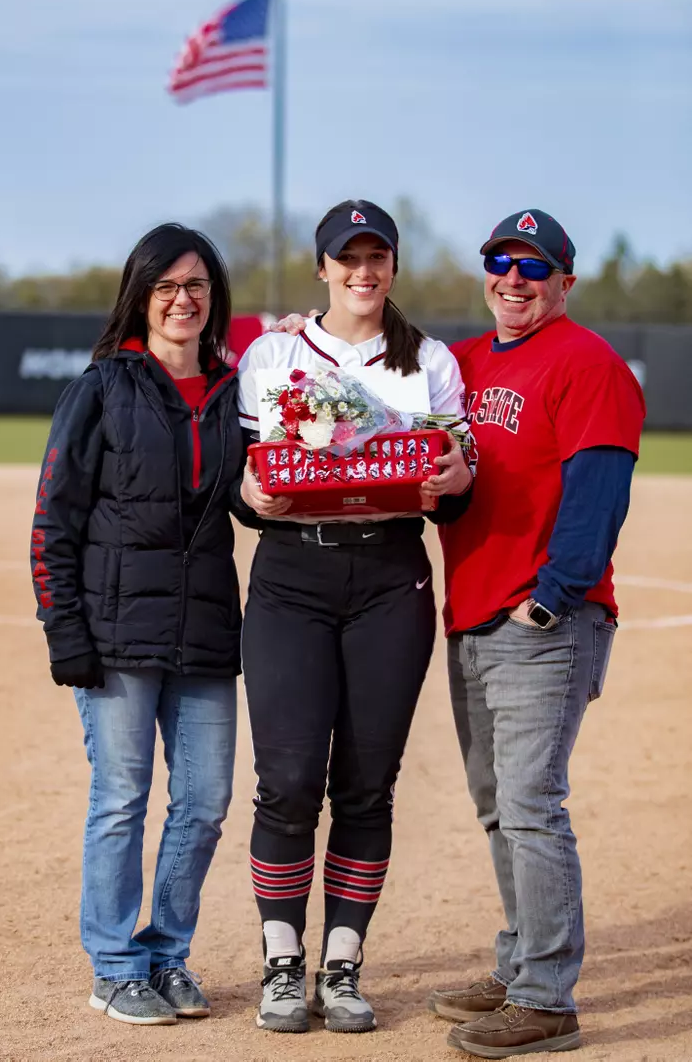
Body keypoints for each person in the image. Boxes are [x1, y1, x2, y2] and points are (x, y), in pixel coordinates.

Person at [236, 199, 474, 1034]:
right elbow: (245, 483)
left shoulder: (429, 362)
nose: (362, 273)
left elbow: (453, 485)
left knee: (367, 787)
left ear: (393, 268)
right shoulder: (271, 353)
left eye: (377, 258)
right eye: (348, 258)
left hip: (388, 575)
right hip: (291, 578)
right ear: (322, 266)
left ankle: (341, 965)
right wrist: (250, 493)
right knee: (288, 782)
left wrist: (453, 482)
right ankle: (280, 962)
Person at [425, 210, 646, 1058]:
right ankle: (520, 961)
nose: (512, 279)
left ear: (563, 281)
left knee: (529, 805)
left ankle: (546, 998)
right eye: (499, 263)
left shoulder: (587, 364)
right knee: (497, 807)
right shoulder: (467, 363)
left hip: (542, 621)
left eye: (532, 266)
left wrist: (550, 600)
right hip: (473, 612)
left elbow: (598, 496)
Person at [30, 223, 254, 1025]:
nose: (182, 300)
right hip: (116, 635)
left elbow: (253, 495)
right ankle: (116, 965)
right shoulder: (99, 388)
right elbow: (53, 518)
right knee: (122, 800)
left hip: (203, 636)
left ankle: (166, 953)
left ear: (212, 297)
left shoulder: (233, 393)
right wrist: (65, 630)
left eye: (196, 286)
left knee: (204, 801)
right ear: (141, 295)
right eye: (166, 286)